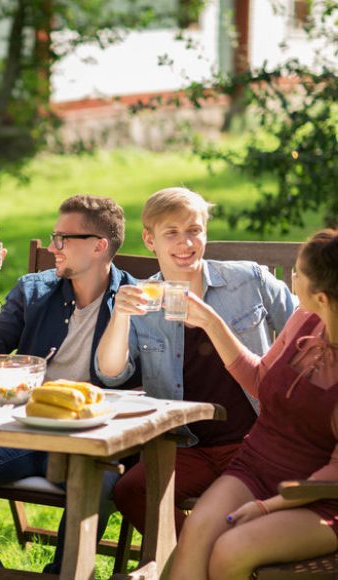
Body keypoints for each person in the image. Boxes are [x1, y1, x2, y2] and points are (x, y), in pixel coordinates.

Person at [0, 195, 139, 572]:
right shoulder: (34, 290)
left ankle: (63, 574)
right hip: (24, 430)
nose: (51, 247)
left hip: (89, 444)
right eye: (52, 237)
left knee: (104, 485)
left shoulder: (132, 301)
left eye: (63, 239)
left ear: (99, 245)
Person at [95, 186, 297, 537]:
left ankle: (200, 559)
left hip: (254, 441)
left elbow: (308, 326)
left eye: (194, 231)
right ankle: (195, 560)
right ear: (149, 239)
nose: (185, 244)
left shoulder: (248, 281)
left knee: (225, 510)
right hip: (187, 444)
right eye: (171, 233)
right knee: (131, 490)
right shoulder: (143, 299)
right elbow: (110, 374)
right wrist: (120, 318)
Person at [169, 229, 337, 579]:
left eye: (298, 273)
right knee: (197, 531)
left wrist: (266, 507)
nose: (292, 277)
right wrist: (211, 322)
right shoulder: (304, 319)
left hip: (320, 496)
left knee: (230, 551)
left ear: (320, 296)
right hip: (256, 466)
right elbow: (260, 380)